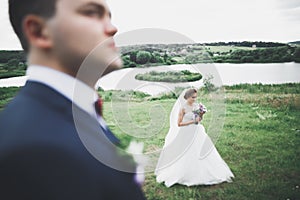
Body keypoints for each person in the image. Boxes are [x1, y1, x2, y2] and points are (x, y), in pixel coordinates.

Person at [0, 0, 145, 199]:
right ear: (39, 31)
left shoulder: (67, 113)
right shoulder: (34, 150)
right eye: (91, 13)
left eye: (109, 16)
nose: (112, 28)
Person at [155, 88, 234, 187]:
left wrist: (201, 115)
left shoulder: (196, 106)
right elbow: (179, 123)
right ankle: (185, 173)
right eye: (193, 97)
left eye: (196, 97)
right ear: (187, 97)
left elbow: (199, 120)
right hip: (186, 132)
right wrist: (193, 122)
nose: (195, 99)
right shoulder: (183, 108)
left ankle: (203, 171)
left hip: (197, 132)